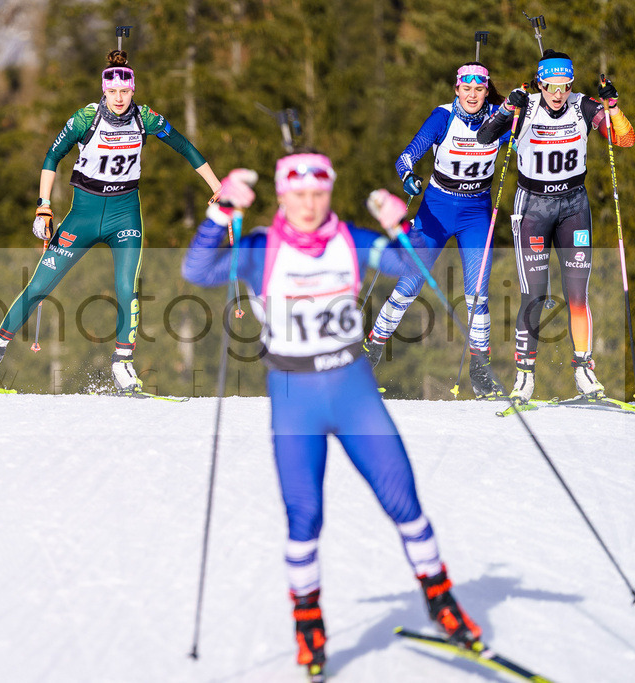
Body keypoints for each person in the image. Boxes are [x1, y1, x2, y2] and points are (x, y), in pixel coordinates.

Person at [182, 153, 481, 681]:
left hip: (353, 390)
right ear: (280, 196)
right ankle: (309, 621)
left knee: (403, 500)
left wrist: (403, 227)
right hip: (294, 395)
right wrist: (220, 211)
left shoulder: (351, 239)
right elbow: (197, 269)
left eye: (318, 194)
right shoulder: (258, 248)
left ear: (330, 193)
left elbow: (412, 269)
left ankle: (442, 601)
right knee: (305, 519)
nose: (308, 204)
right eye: (297, 195)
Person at [0, 50, 222, 392]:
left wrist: (217, 187)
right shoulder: (86, 119)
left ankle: (123, 362)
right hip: (83, 215)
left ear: (133, 90)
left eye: (126, 92)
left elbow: (185, 146)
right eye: (113, 92)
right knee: (39, 286)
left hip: (125, 214)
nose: (120, 98)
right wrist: (43, 206)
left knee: (128, 287)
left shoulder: (146, 119)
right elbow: (52, 156)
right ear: (104, 90)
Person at [477, 50, 633, 401]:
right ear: (540, 84)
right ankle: (524, 376)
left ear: (571, 84)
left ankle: (583, 370)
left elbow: (623, 138)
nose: (558, 94)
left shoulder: (583, 106)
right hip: (533, 207)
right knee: (535, 295)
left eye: (564, 86)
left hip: (573, 206)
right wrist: (506, 109)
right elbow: (485, 138)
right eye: (551, 87)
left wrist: (613, 108)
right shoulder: (527, 106)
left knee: (578, 295)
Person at [364, 62, 512, 399]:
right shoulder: (442, 116)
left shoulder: (500, 119)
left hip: (476, 212)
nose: (472, 95)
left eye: (479, 89)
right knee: (409, 284)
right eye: (466, 89)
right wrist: (408, 177)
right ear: (457, 89)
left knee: (478, 294)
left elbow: (526, 145)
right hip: (437, 209)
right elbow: (407, 155)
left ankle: (481, 372)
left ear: (486, 90)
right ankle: (369, 353)